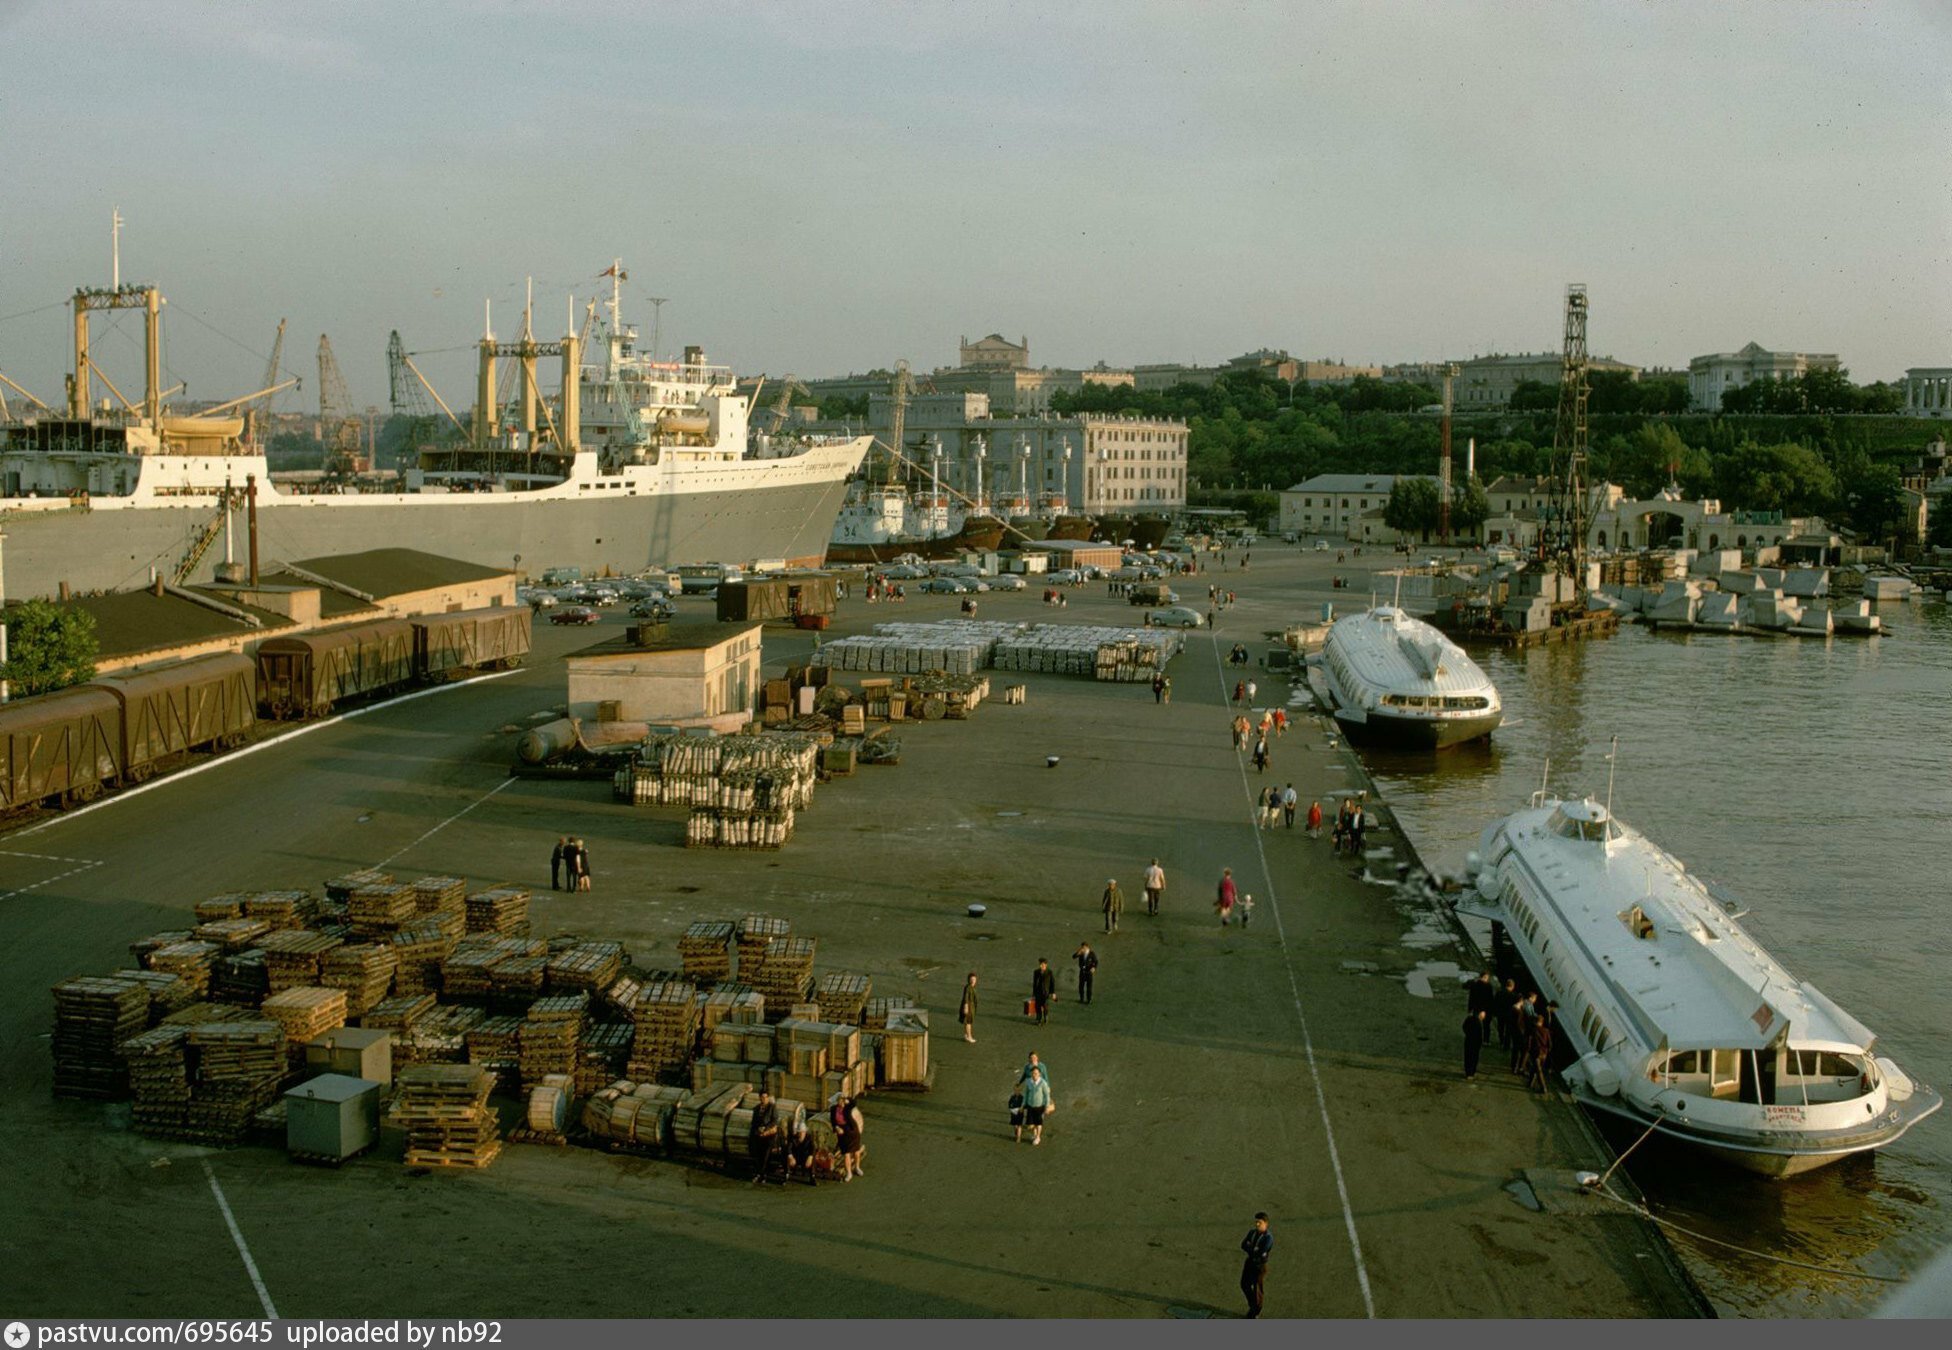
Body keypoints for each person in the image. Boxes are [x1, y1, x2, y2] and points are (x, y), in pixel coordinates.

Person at [1240, 1214, 1273, 1319]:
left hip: (1259, 1266)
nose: (1257, 1224)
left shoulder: (1268, 1238)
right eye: (1256, 1222)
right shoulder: (1252, 1232)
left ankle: (1255, 1312)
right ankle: (1253, 1306)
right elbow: (1243, 1245)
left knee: (1257, 1289)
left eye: (1260, 1222)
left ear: (1266, 1224)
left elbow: (1261, 1252)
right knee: (1244, 1284)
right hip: (1250, 1262)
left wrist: (1251, 1248)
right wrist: (1253, 1249)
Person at [748, 1090, 781, 1184]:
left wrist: (765, 1128)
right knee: (757, 1153)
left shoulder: (772, 1107)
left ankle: (763, 1174)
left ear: (768, 1098)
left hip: (769, 1134)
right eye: (762, 1098)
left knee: (766, 1154)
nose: (764, 1099)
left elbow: (775, 1120)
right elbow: (753, 1122)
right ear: (759, 1098)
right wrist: (757, 1130)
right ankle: (759, 1173)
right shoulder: (757, 1108)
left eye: (765, 1097)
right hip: (758, 1133)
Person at [1019, 1066, 1052, 1146]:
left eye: (1036, 1073)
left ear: (1039, 1074)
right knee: (1031, 1123)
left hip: (1039, 1106)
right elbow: (1026, 1094)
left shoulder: (1043, 1083)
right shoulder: (1028, 1082)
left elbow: (1047, 1095)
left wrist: (1047, 1106)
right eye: (1033, 1073)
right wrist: (1023, 1105)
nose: (1034, 1075)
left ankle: (1038, 1137)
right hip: (1030, 1105)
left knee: (1038, 1123)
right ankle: (1034, 1134)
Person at [1527, 1008, 1555, 1093]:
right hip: (1544, 1054)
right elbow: (1550, 1044)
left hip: (1536, 1053)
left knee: (1538, 1071)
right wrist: (1547, 1051)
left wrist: (1529, 1051)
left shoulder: (1533, 1030)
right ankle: (1530, 1083)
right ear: (1542, 1022)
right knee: (1535, 1068)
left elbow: (1530, 1042)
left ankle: (1543, 1088)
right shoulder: (1546, 1031)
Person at [783, 1119, 817, 1185]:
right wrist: (790, 1156)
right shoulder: (793, 1138)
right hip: (795, 1157)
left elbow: (813, 1148)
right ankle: (786, 1175)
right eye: (799, 1132)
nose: (801, 1134)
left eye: (802, 1132)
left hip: (805, 1157)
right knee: (786, 1155)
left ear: (805, 1132)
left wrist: (810, 1157)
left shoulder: (809, 1137)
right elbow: (788, 1147)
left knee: (813, 1157)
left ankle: (812, 1176)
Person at [1495, 977, 1519, 1050]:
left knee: (1500, 1028)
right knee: (1508, 1031)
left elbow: (1495, 1002)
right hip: (1509, 1015)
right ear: (1512, 986)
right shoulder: (1514, 996)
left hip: (1500, 1014)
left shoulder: (1499, 992)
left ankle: (1501, 1040)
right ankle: (1506, 1045)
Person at [1463, 1009, 1487, 1080]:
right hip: (1474, 1042)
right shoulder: (1477, 1022)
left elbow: (1464, 1027)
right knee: (1473, 1057)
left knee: (1468, 1056)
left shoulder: (1470, 1019)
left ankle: (1468, 1072)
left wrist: (1467, 1033)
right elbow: (1479, 1035)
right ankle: (1471, 1072)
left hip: (1468, 1040)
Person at [1031, 958, 1056, 1025]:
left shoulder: (1049, 972)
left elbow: (1052, 983)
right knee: (1038, 1006)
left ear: (1046, 964)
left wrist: (1053, 993)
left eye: (1042, 964)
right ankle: (1039, 1019)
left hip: (1045, 992)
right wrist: (1033, 994)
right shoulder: (1036, 972)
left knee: (1045, 1006)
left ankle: (1045, 1017)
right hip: (1038, 992)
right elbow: (1034, 984)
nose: (1041, 966)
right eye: (1040, 964)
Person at [959, 971, 979, 1044]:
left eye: (974, 979)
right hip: (969, 1007)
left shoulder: (971, 987)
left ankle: (966, 1036)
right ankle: (969, 1037)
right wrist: (966, 1006)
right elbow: (966, 997)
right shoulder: (968, 988)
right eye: (971, 979)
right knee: (968, 1022)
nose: (973, 981)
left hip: (971, 1007)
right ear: (969, 980)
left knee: (966, 1022)